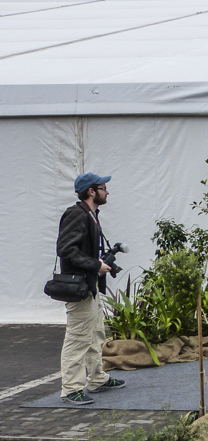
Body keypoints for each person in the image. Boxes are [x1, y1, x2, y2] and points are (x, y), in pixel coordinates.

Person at [56, 172, 127, 405]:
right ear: (91, 191)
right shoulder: (76, 214)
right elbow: (66, 249)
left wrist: (100, 264)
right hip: (79, 287)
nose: (107, 192)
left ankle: (97, 379)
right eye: (103, 188)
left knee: (96, 333)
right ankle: (71, 389)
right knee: (78, 337)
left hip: (90, 285)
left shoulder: (91, 214)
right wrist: (95, 265)